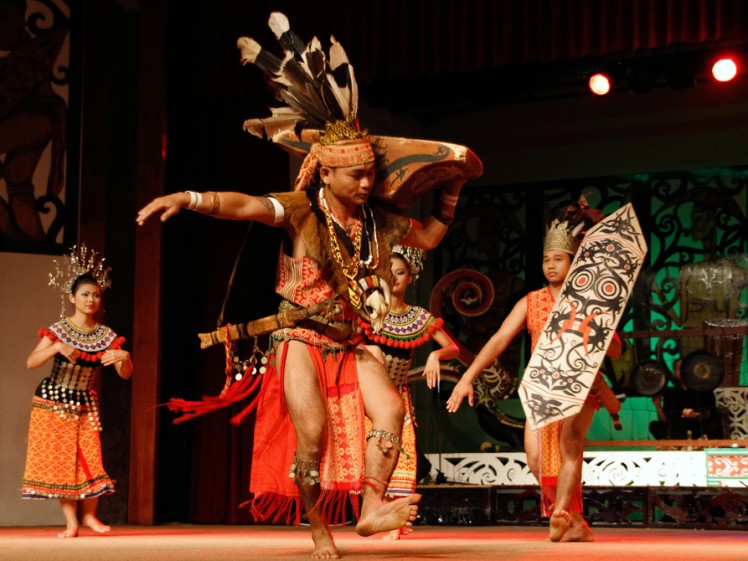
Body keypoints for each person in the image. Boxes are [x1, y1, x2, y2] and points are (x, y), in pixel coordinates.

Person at [136, 15, 477, 557]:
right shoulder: (301, 210)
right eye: (355, 175)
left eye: (370, 173)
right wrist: (191, 197)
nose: (366, 183)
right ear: (325, 172)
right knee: (312, 438)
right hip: (300, 339)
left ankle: (368, 509)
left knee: (390, 411)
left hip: (350, 341)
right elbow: (245, 205)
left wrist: (452, 190)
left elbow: (430, 238)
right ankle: (319, 530)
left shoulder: (377, 219)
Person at [445, 201, 622, 543]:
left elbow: (614, 348)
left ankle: (561, 514)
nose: (551, 265)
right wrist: (467, 377)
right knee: (536, 459)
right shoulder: (531, 301)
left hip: (579, 383)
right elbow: (498, 341)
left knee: (571, 444)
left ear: (574, 263)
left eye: (558, 259)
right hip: (541, 388)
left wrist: (597, 323)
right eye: (547, 259)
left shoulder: (588, 300)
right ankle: (574, 522)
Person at [21, 245, 133, 538]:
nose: (91, 299)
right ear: (72, 298)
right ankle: (72, 522)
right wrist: (56, 347)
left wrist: (125, 358)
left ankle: (90, 516)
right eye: (85, 294)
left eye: (96, 294)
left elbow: (125, 374)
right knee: (63, 461)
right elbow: (31, 362)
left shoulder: (106, 335)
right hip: (54, 401)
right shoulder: (58, 330)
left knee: (92, 457)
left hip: (85, 402)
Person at [362, 245, 459, 539]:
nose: (394, 278)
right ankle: (374, 512)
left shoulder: (418, 317)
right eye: (388, 273)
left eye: (400, 272)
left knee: (401, 454)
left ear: (411, 277)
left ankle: (397, 518)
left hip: (398, 396)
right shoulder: (369, 310)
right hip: (368, 396)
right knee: (372, 452)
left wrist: (434, 356)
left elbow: (452, 347)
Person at [649, 359, 723, 441]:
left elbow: (709, 414)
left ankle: (695, 442)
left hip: (699, 429)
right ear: (674, 373)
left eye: (685, 367)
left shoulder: (704, 390)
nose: (682, 370)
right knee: (654, 425)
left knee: (714, 425)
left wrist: (695, 414)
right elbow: (665, 421)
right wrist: (658, 407)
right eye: (678, 368)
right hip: (678, 432)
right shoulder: (670, 393)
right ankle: (686, 443)